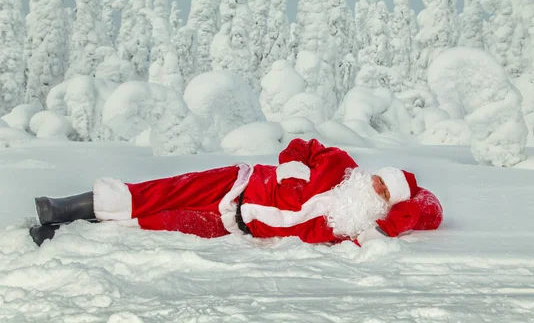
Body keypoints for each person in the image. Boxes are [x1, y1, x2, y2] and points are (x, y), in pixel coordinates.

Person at [30, 138, 443, 246]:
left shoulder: (351, 227)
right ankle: (64, 206)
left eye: (384, 193)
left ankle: (62, 233)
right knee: (159, 192)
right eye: (378, 180)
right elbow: (303, 146)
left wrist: (393, 219)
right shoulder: (341, 166)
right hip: (239, 182)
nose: (374, 189)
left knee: (157, 224)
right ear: (371, 173)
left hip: (234, 224)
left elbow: (431, 210)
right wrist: (292, 174)